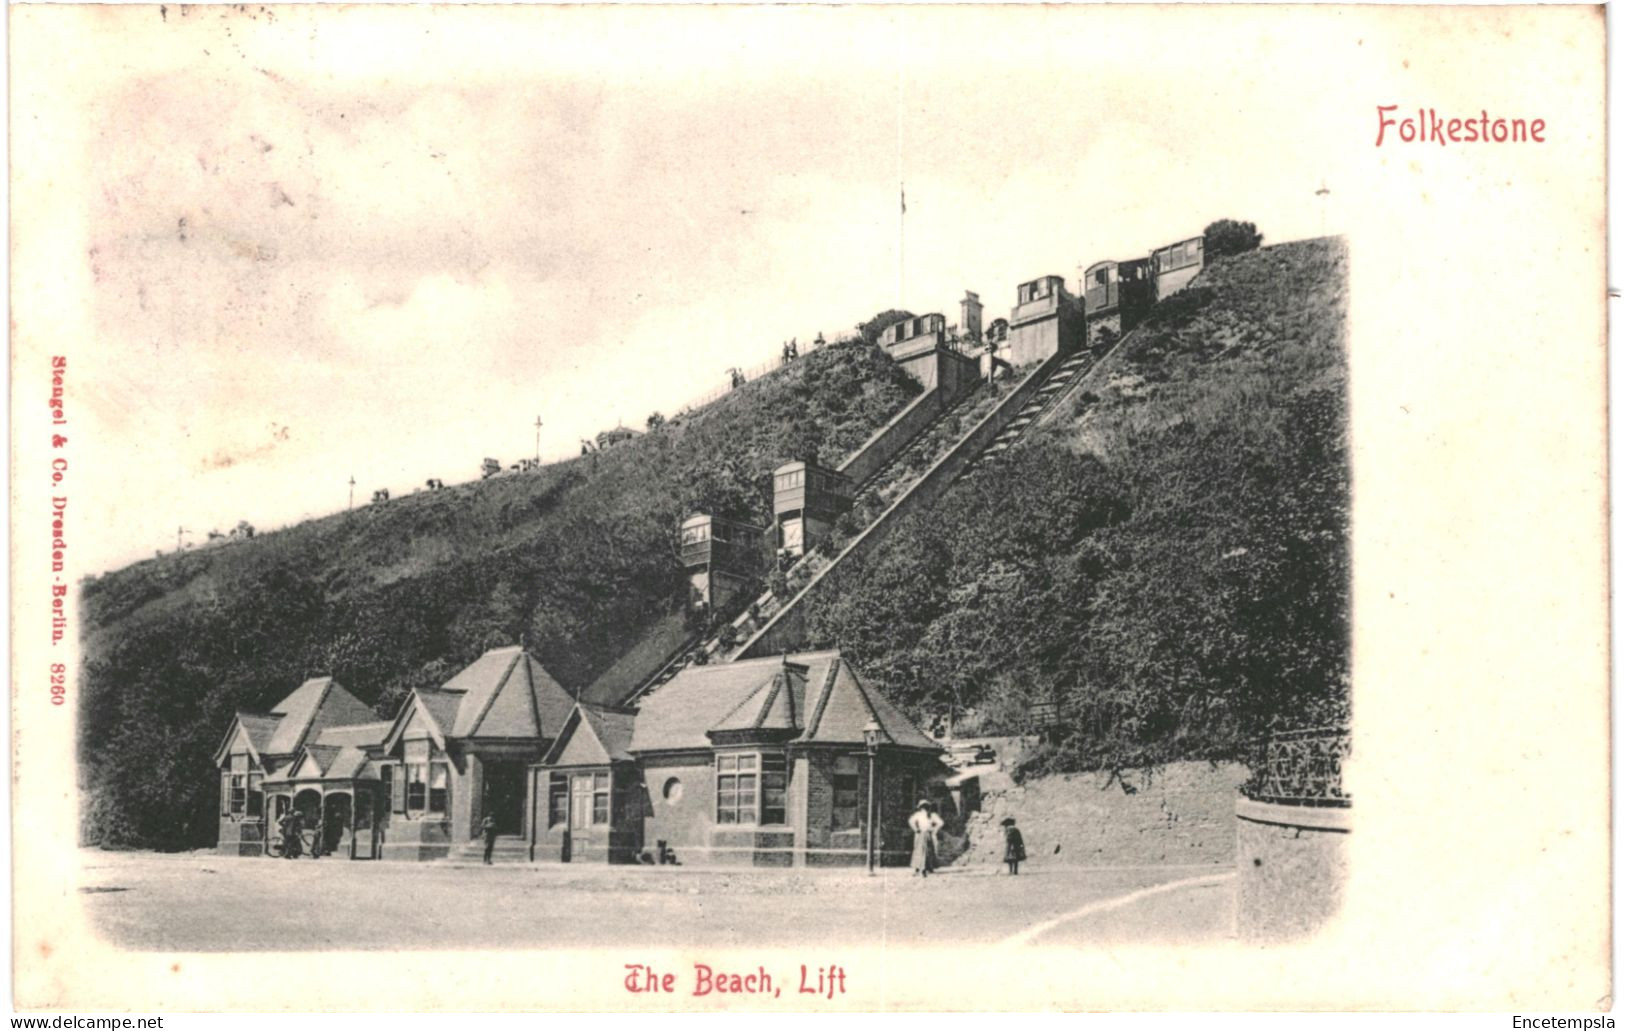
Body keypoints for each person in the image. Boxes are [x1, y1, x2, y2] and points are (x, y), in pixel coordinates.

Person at [908, 800, 938, 877]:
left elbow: (939, 823)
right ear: (920, 808)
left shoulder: (930, 815)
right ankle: (917, 869)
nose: (924, 809)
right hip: (920, 834)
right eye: (923, 807)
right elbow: (911, 821)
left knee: (927, 851)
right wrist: (916, 829)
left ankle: (927, 868)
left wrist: (933, 829)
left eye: (926, 807)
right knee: (919, 851)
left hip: (927, 834)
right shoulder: (918, 815)